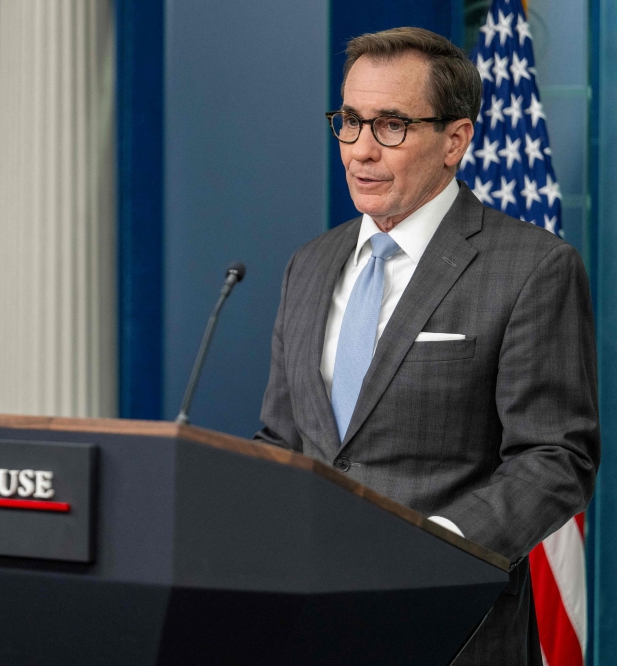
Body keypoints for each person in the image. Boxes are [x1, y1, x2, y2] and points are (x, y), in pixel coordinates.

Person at [256, 27, 598, 665]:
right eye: (350, 122)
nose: (361, 150)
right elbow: (282, 442)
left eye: (391, 125)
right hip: (309, 626)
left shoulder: (532, 267)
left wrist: (437, 551)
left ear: (456, 140)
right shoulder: (310, 263)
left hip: (453, 630)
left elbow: (555, 458)